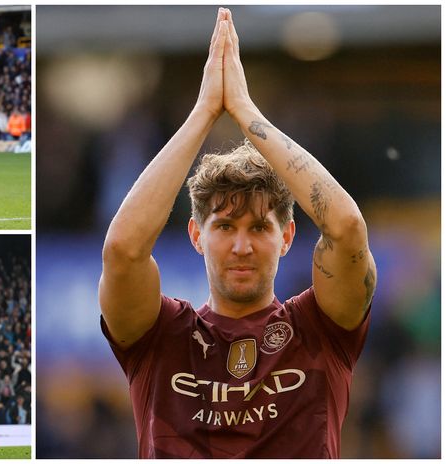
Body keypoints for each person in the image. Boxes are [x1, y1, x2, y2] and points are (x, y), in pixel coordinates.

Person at [98, 8, 376, 459]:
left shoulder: (319, 331)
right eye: (224, 226)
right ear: (195, 235)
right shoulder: (161, 336)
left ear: (287, 237)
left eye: (260, 228)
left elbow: (345, 228)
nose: (242, 246)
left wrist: (245, 111)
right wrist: (205, 112)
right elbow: (123, 251)